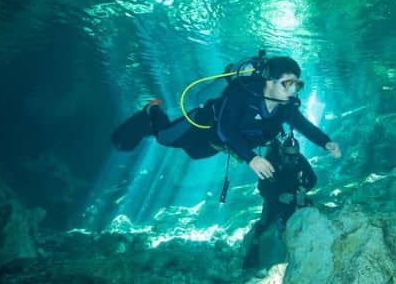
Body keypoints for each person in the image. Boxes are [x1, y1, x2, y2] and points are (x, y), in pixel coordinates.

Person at [111, 56, 342, 181]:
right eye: (288, 83)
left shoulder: (286, 107)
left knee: (194, 154)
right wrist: (252, 158)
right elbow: (227, 130)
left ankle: (150, 123)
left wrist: (325, 142)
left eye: (297, 84)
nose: (293, 91)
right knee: (163, 137)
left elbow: (303, 126)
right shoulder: (242, 94)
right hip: (201, 124)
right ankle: (153, 110)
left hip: (217, 144)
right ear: (269, 81)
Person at [242, 134, 316, 269]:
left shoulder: (299, 160)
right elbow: (262, 187)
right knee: (264, 223)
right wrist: (277, 196)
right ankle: (254, 249)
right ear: (282, 152)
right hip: (274, 196)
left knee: (304, 211)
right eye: (288, 156)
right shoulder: (272, 160)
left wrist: (303, 189)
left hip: (292, 193)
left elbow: (312, 178)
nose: (292, 160)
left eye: (295, 157)